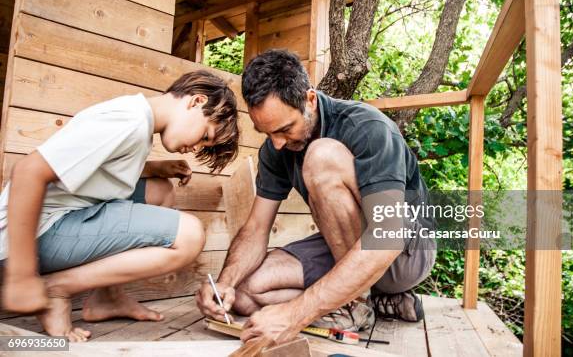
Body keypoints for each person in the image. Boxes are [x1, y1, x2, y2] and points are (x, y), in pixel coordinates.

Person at [196, 49, 436, 344]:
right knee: (246, 291)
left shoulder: (367, 127)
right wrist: (225, 283)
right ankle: (376, 301)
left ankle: (357, 304)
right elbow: (256, 228)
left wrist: (295, 314)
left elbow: (387, 236)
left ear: (310, 100)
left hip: (406, 252)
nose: (278, 143)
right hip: (349, 245)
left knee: (321, 155)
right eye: (266, 132)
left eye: (285, 129)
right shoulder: (276, 147)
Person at [0, 70, 239, 342]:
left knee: (160, 190)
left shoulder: (139, 123)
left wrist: (152, 168)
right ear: (196, 101)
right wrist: (22, 276)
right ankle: (56, 289)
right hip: (22, 243)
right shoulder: (128, 120)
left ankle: (108, 297)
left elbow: (94, 175)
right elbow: (28, 172)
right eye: (205, 135)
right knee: (190, 235)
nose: (197, 147)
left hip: (53, 226)